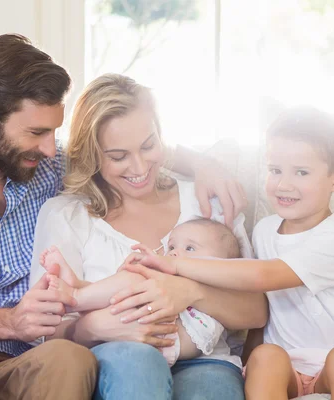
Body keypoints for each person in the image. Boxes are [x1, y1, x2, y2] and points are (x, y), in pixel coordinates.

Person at [0, 35, 246, 400]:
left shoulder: (40, 164)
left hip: (3, 363)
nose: (49, 148)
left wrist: (203, 162)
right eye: (37, 132)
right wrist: (11, 322)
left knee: (68, 358)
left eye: (53, 133)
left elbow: (119, 151)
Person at [123, 107, 334, 400]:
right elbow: (263, 311)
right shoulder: (265, 230)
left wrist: (178, 265)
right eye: (275, 170)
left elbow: (262, 276)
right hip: (288, 364)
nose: (283, 184)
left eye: (301, 172)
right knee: (264, 358)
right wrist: (247, 359)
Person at [30, 73, 268, 400]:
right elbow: (48, 334)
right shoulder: (66, 215)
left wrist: (188, 291)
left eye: (148, 145)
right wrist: (91, 327)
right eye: (118, 156)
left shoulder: (206, 203)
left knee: (213, 391)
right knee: (137, 366)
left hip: (204, 361)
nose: (139, 166)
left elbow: (257, 310)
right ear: (92, 153)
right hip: (118, 357)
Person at [37, 218, 242, 366]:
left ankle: (78, 298)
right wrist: (141, 265)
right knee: (134, 279)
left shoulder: (219, 287)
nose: (174, 253)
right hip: (141, 330)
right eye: (171, 246)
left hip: (170, 339)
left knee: (138, 283)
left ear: (221, 263)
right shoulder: (168, 276)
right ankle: (78, 289)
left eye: (190, 248)